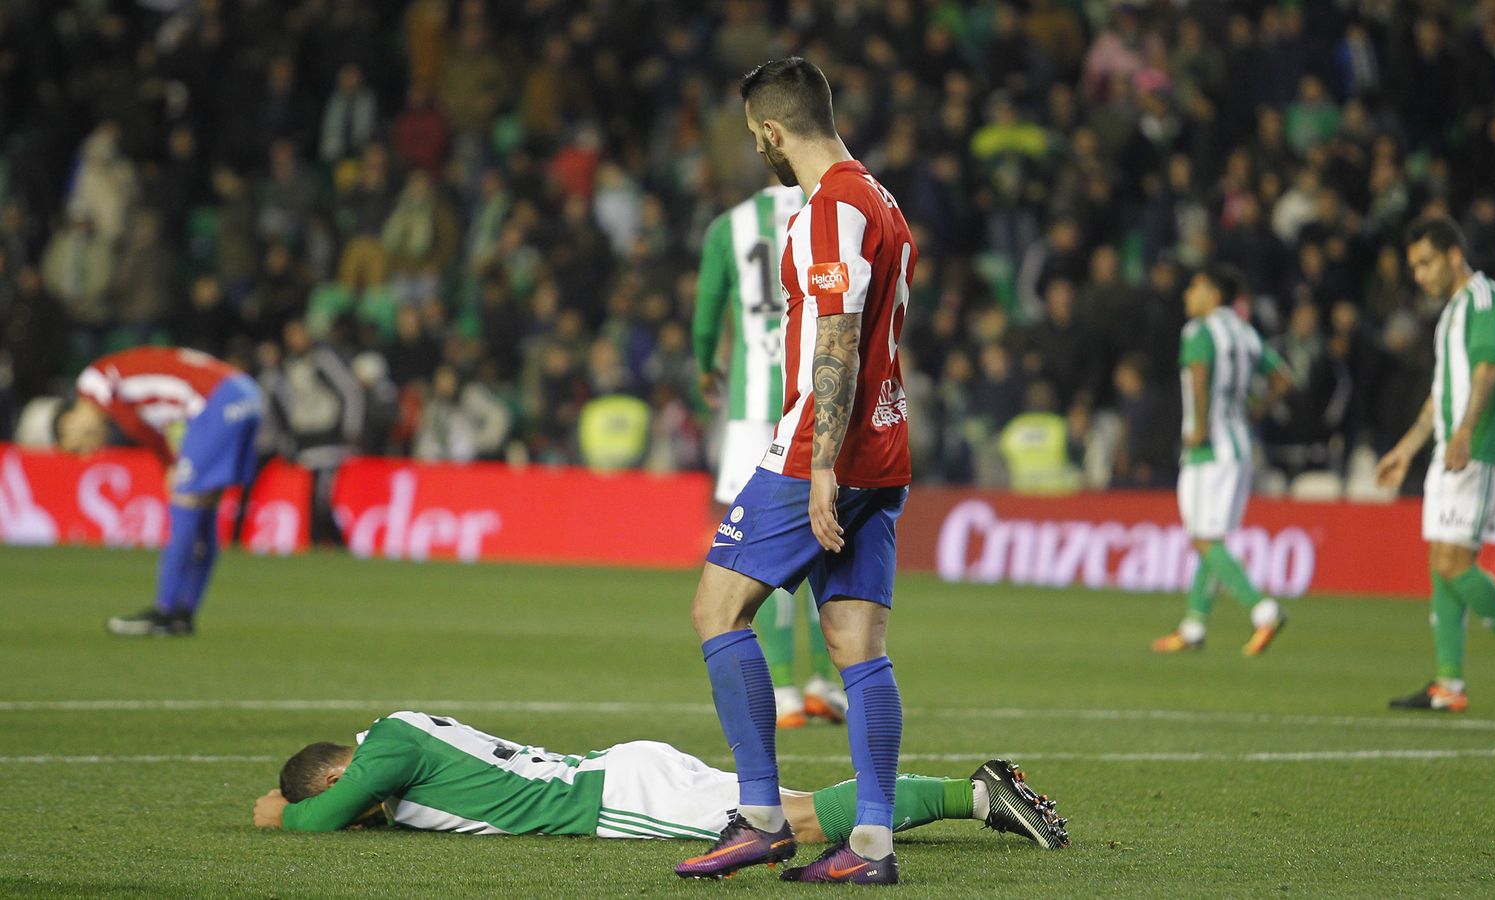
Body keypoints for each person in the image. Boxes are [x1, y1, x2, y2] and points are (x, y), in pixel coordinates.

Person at [683, 57, 918, 884]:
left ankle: (758, 817)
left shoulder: (828, 211)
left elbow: (837, 341)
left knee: (717, 609)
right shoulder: (881, 199)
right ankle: (871, 849)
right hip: (886, 450)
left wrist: (820, 467)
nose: (758, 151)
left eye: (757, 138)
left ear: (777, 132)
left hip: (825, 450)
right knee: (857, 642)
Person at [251, 710, 1067, 853]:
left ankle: (979, 793)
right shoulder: (404, 733)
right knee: (785, 811)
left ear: (334, 775)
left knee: (797, 825)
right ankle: (978, 795)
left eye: (341, 799)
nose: (359, 817)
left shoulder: (380, 758)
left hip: (615, 801)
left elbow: (317, 825)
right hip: (622, 768)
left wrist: (280, 816)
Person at [1377, 217, 1495, 714]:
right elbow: (1441, 396)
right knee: (1440, 563)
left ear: (1453, 255)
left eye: (1424, 263)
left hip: (1479, 449)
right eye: (1413, 265)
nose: (1417, 274)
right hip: (1450, 449)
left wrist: (1463, 432)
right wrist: (1408, 447)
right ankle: (1448, 684)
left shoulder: (1484, 300)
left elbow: (1488, 368)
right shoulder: (1452, 313)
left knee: (1454, 563)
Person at [694, 179, 848, 730]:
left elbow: (706, 320)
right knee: (820, 535)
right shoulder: (827, 213)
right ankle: (823, 683)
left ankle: (781, 688)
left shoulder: (728, 226)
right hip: (814, 402)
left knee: (761, 548)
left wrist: (704, 371)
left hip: (750, 412)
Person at [55, 347, 263, 636]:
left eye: (79, 446)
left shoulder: (92, 382)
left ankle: (164, 611)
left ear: (67, 423)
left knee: (186, 501)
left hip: (218, 400)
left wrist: (168, 463)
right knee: (204, 510)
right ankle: (183, 614)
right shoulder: (126, 390)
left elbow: (138, 425)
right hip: (245, 392)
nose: (89, 452)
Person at [1151, 265, 1293, 655]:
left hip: (1207, 450)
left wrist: (1198, 425)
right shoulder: (1246, 333)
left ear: (1213, 294)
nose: (1187, 296)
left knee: (1203, 538)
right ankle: (1194, 626)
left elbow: (1199, 374)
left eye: (1194, 288)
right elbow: (1284, 378)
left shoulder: (1198, 331)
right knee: (1210, 540)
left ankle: (1264, 610)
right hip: (1240, 447)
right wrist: (1254, 410)